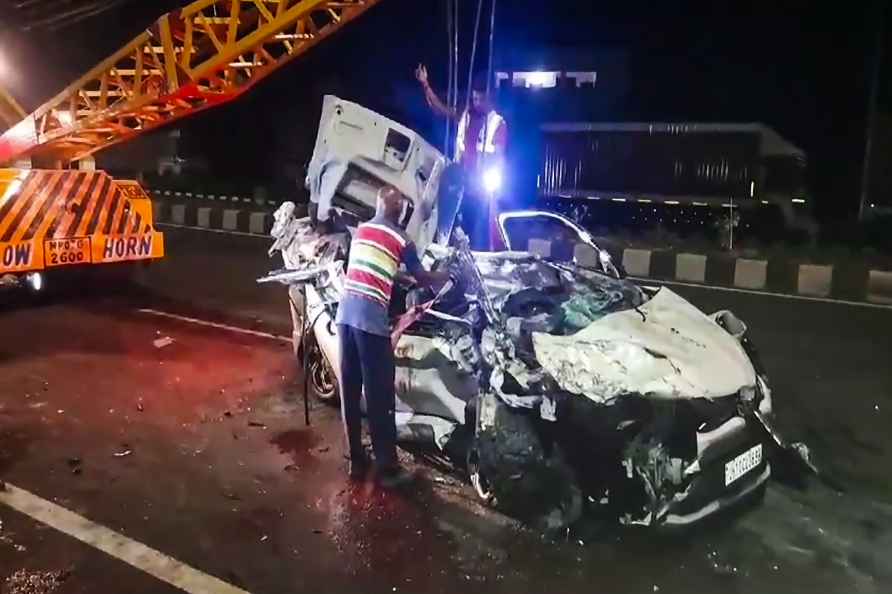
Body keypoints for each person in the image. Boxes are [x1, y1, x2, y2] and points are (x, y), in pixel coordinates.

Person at [335, 185, 450, 487]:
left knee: (349, 389)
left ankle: (356, 461)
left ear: (377, 206)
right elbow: (422, 277)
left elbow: (371, 267)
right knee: (380, 396)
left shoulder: (361, 231)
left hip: (345, 316)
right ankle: (387, 467)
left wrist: (392, 276)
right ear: (401, 212)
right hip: (370, 321)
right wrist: (446, 275)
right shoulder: (402, 238)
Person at [415, 64, 507, 251]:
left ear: (490, 98)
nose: (476, 103)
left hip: (480, 191)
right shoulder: (466, 116)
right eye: (474, 98)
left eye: (480, 99)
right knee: (448, 229)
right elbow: (439, 109)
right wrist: (425, 84)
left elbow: (499, 157)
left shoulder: (498, 124)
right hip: (459, 186)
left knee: (478, 234)